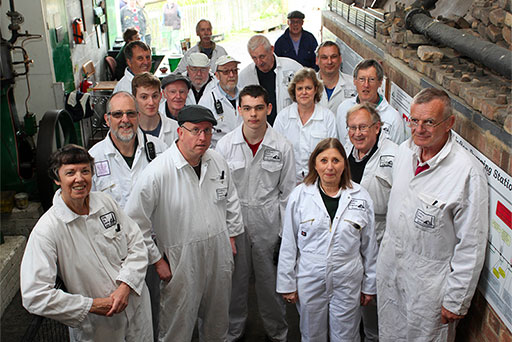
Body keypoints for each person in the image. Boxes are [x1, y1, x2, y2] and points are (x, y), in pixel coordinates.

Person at [377, 88, 489, 341]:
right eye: (414, 121)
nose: (419, 129)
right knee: (389, 334)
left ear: (449, 123)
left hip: (429, 289)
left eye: (429, 122)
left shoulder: (466, 172)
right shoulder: (405, 153)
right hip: (391, 272)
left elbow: (471, 243)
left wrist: (456, 300)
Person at [124, 105, 244, 341]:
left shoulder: (217, 161)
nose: (203, 137)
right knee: (178, 324)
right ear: (180, 132)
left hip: (218, 254)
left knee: (218, 321)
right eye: (196, 130)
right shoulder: (158, 172)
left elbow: (231, 199)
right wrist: (157, 260)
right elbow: (134, 223)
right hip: (181, 258)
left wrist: (231, 236)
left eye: (208, 131)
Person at [20, 144, 153, 341]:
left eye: (85, 171)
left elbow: (137, 243)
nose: (79, 179)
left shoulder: (106, 203)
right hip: (98, 326)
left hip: (135, 307)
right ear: (57, 179)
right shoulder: (48, 229)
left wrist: (126, 284)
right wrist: (91, 305)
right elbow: (34, 295)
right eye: (70, 173)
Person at [277, 138, 378, 342]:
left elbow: (369, 246)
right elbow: (288, 243)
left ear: (344, 164)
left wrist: (370, 285)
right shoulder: (300, 196)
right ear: (314, 163)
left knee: (347, 335)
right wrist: (287, 282)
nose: (330, 167)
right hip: (310, 275)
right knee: (312, 334)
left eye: (336, 160)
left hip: (347, 276)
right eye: (324, 160)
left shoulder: (360, 196)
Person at [216, 85, 296, 342]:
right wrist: (224, 230)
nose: (253, 115)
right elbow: (219, 193)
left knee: (270, 285)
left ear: (269, 109)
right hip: (235, 224)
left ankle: (278, 333)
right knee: (234, 285)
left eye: (259, 108)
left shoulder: (282, 147)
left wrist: (284, 236)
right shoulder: (225, 146)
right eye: (247, 108)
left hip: (268, 224)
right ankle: (233, 333)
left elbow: (288, 195)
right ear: (239, 110)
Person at [346, 102, 398, 342]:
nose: (357, 133)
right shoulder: (346, 152)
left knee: (375, 301)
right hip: (349, 239)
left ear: (377, 128)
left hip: (380, 238)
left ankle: (373, 337)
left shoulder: (395, 155)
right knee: (351, 298)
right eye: (353, 127)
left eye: (363, 127)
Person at [89, 91, 166, 209]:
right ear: (107, 120)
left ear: (138, 117)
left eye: (130, 114)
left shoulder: (160, 149)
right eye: (118, 114)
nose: (125, 120)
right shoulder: (94, 158)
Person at [273, 68, 337, 183]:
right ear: (294, 91)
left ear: (316, 89)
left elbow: (332, 152)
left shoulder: (328, 117)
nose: (304, 92)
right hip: (289, 182)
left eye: (308, 88)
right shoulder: (283, 117)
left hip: (319, 181)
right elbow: (275, 152)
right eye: (300, 88)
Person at [336, 59, 406, 152]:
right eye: (362, 79)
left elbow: (398, 154)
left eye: (371, 79)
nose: (366, 85)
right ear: (354, 81)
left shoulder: (393, 118)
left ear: (380, 82)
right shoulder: (343, 108)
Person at [238, 35, 302, 125]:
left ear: (272, 49)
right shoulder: (244, 76)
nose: (259, 62)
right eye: (254, 58)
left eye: (262, 56)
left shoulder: (293, 68)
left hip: (290, 126)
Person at [199, 55, 242, 148]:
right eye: (226, 72)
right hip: (220, 153)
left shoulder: (246, 96)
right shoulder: (207, 100)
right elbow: (201, 134)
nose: (231, 75)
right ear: (217, 75)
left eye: (234, 70)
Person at [132, 72, 178, 147]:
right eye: (144, 97)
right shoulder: (129, 130)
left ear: (160, 96)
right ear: (134, 98)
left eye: (154, 96)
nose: (151, 102)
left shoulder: (176, 129)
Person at [315, 40, 356, 113]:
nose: (329, 62)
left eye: (333, 57)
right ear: (317, 60)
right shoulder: (307, 84)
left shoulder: (353, 84)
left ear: (340, 59)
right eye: (324, 57)